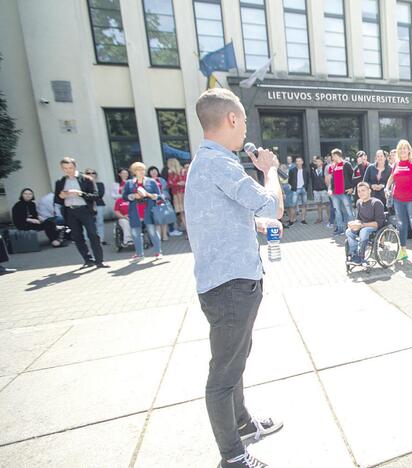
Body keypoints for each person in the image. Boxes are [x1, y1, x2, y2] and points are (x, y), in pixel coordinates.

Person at [185, 88, 284, 468]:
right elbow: (272, 204)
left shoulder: (207, 163)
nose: (245, 129)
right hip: (230, 287)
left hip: (227, 281)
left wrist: (252, 224)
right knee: (224, 373)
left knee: (236, 360)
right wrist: (269, 170)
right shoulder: (219, 163)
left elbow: (221, 217)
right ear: (230, 119)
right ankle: (233, 457)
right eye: (243, 121)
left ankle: (241, 422)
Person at [54, 157, 108, 268]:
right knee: (77, 237)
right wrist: (61, 196)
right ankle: (88, 260)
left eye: (70, 167)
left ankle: (99, 261)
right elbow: (57, 199)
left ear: (75, 166)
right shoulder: (60, 182)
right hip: (70, 211)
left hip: (84, 210)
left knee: (93, 234)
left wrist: (80, 193)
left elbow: (96, 196)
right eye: (65, 168)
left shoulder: (86, 179)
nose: (68, 170)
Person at [386, 139, 412, 263]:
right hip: (398, 199)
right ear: (398, 151)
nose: (403, 150)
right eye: (400, 148)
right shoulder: (396, 164)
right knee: (401, 226)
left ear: (409, 150)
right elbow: (391, 178)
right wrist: (387, 188)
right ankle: (403, 252)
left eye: (405, 148)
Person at [123, 162, 163, 259]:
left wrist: (148, 195)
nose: (141, 172)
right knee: (136, 233)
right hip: (135, 212)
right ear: (134, 172)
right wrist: (133, 196)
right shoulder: (129, 183)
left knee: (152, 232)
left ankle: (158, 252)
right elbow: (124, 197)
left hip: (148, 211)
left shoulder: (151, 182)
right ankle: (139, 254)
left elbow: (160, 196)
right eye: (138, 170)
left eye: (143, 170)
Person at [346, 182, 386, 265]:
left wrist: (362, 225)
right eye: (359, 191)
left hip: (375, 227)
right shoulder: (359, 202)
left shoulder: (376, 203)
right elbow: (359, 219)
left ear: (369, 191)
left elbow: (379, 223)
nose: (361, 193)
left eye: (363, 190)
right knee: (348, 231)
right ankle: (354, 255)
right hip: (363, 226)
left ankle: (361, 257)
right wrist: (353, 223)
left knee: (364, 231)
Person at [327, 149, 355, 236]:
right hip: (335, 194)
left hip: (345, 192)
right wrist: (330, 189)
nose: (332, 158)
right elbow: (332, 179)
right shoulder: (334, 166)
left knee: (348, 211)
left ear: (336, 155)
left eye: (333, 156)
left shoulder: (346, 164)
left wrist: (352, 188)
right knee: (337, 212)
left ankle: (352, 229)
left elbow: (352, 177)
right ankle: (340, 229)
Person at [84, 168, 107, 245]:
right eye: (88, 173)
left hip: (99, 204)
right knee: (88, 222)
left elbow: (100, 194)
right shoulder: (83, 185)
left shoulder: (100, 184)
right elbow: (83, 195)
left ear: (96, 175)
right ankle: (87, 239)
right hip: (87, 205)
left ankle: (101, 238)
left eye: (93, 173)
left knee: (99, 222)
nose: (91, 174)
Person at [147, 166, 170, 241]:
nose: (154, 172)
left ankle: (165, 235)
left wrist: (164, 196)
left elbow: (166, 189)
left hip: (163, 201)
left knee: (164, 219)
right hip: (153, 202)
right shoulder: (147, 181)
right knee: (156, 220)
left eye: (155, 170)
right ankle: (158, 235)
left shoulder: (162, 180)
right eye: (152, 171)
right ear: (149, 173)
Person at [167, 158, 187, 234]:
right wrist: (179, 183)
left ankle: (188, 232)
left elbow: (170, 183)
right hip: (183, 193)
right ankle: (189, 231)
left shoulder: (172, 173)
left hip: (177, 194)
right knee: (185, 213)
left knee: (182, 213)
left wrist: (176, 183)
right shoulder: (183, 171)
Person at [287, 157, 309, 225]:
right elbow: (289, 180)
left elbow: (308, 179)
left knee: (304, 205)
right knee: (293, 205)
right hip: (295, 189)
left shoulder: (305, 170)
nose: (298, 162)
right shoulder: (292, 170)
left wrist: (305, 187)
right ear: (295, 162)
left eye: (299, 161)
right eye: (297, 161)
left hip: (303, 189)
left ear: (302, 162)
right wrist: (293, 186)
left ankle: (303, 220)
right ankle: (291, 220)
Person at [310, 156, 330, 224]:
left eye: (319, 161)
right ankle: (320, 218)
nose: (317, 163)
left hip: (324, 189)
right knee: (318, 205)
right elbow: (312, 180)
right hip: (316, 190)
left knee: (327, 204)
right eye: (316, 161)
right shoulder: (313, 169)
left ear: (322, 162)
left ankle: (329, 218)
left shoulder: (325, 169)